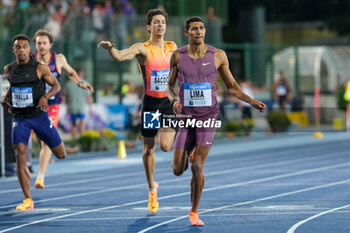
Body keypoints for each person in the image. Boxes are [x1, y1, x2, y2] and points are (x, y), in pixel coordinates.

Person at [167, 17, 265, 226]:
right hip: (185, 118)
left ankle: (194, 211)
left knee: (197, 166)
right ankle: (189, 152)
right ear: (187, 33)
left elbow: (232, 87)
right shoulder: (177, 56)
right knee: (177, 169)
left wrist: (252, 101)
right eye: (194, 29)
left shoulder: (218, 56)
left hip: (207, 117)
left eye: (202, 28)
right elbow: (169, 86)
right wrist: (174, 100)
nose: (199, 32)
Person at [98, 8, 177, 214]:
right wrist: (111, 49)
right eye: (156, 22)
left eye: (163, 22)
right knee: (148, 149)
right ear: (149, 26)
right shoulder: (142, 48)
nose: (160, 25)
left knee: (166, 147)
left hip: (168, 103)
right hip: (151, 103)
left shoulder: (172, 47)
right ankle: (152, 189)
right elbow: (121, 56)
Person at [1, 34, 67, 210]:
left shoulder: (40, 68)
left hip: (39, 117)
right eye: (18, 47)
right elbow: (13, 86)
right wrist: (5, 99)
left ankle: (51, 141)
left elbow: (57, 86)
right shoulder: (9, 69)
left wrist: (45, 97)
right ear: (14, 50)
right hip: (20, 118)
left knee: (61, 154)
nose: (21, 50)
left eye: (24, 47)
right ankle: (27, 199)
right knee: (20, 152)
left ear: (29, 49)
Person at [32, 29, 94, 189]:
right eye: (39, 43)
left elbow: (71, 72)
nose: (42, 46)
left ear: (51, 44)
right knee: (39, 141)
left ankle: (40, 177)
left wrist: (80, 83)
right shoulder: (30, 61)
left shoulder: (58, 59)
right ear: (35, 45)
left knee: (45, 142)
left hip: (52, 106)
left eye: (44, 43)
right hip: (34, 107)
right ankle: (53, 148)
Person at [64, 68, 92, 141]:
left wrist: (67, 107)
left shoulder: (68, 84)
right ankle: (83, 141)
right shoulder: (85, 83)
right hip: (81, 108)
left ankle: (73, 141)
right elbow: (88, 97)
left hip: (72, 107)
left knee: (73, 125)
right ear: (81, 74)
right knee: (82, 125)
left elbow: (66, 98)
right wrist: (90, 108)